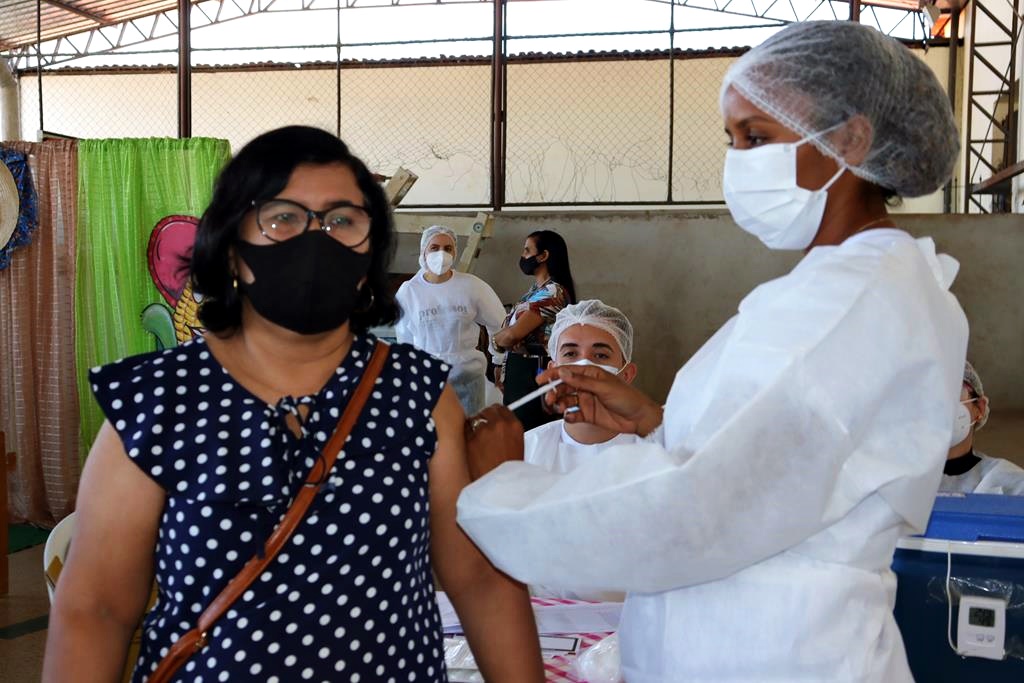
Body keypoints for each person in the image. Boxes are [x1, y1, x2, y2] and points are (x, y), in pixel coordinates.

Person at [458, 22, 967, 682]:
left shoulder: (843, 304)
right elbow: (789, 459)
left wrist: (501, 485)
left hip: (768, 654)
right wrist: (656, 422)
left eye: (756, 137)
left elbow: (691, 512)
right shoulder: (866, 287)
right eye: (732, 139)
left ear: (851, 139)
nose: (738, 160)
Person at [43, 126, 543, 683]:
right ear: (231, 247)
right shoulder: (159, 401)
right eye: (282, 218)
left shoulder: (418, 396)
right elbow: (97, 610)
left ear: (370, 252)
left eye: (342, 221)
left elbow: (477, 580)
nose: (316, 240)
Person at [524, 300, 641, 602]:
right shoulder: (523, 451)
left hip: (630, 626)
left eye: (600, 355)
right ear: (552, 371)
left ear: (626, 375)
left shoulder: (656, 452)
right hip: (542, 627)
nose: (584, 366)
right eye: (571, 353)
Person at [395, 224, 506, 416]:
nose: (441, 253)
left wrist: (499, 361)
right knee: (434, 438)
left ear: (455, 252)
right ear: (423, 252)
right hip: (427, 378)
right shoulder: (409, 291)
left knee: (469, 436)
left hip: (468, 376)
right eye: (434, 247)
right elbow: (404, 341)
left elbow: (499, 323)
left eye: (448, 248)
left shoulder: (471, 286)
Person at [492, 229, 576, 430]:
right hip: (519, 369)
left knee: (528, 434)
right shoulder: (534, 292)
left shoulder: (553, 292)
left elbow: (512, 335)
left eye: (527, 250)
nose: (523, 256)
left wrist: (496, 340)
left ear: (543, 255)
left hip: (532, 372)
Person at [941, 361, 1024, 495]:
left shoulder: (1012, 484)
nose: (936, 405)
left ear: (979, 408)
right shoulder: (896, 480)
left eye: (952, 391)